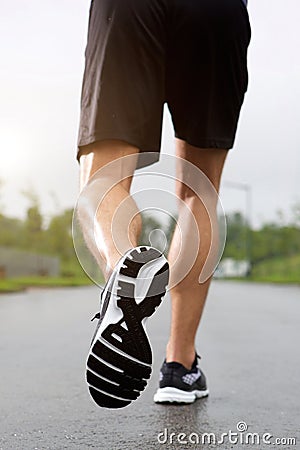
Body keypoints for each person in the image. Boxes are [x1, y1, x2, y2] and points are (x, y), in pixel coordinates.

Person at [76, 0, 251, 408]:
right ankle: (180, 365)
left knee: (105, 176)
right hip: (216, 12)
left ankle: (122, 267)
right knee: (199, 191)